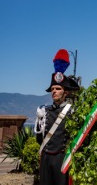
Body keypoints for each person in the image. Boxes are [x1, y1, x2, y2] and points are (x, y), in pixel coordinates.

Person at [35, 49, 79, 185]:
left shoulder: (72, 112)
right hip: (46, 157)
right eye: (53, 89)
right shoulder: (44, 111)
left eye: (58, 89)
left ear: (65, 92)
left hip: (62, 157)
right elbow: (38, 138)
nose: (54, 91)